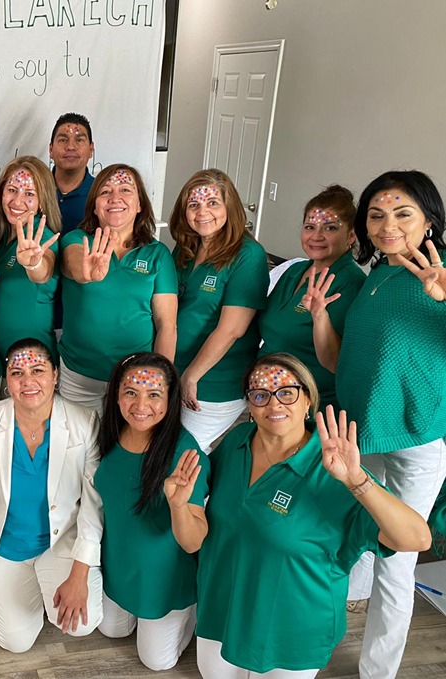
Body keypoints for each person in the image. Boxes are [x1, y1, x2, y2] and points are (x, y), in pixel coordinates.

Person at [195, 354, 431, 678]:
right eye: (260, 394)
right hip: (223, 611)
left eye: (286, 392)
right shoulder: (237, 443)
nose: (273, 404)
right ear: (249, 403)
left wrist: (356, 480)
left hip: (292, 632)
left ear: (307, 399)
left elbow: (416, 538)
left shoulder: (332, 468)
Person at [335, 170, 446, 679]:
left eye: (403, 213)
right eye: (376, 215)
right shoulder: (376, 275)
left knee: (396, 561)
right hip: (366, 436)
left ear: (429, 220)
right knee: (357, 536)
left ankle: (376, 673)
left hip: (416, 441)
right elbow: (352, 358)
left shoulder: (439, 274)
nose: (387, 225)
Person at [0, 338, 104, 653]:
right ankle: (31, 593)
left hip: (58, 543)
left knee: (83, 624)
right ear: (7, 380)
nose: (28, 381)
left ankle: (48, 585)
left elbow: (94, 504)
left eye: (38, 370)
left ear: (55, 375)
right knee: (15, 643)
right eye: (17, 373)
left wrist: (80, 573)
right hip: (2, 545)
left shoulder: (84, 422)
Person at [94, 352, 208, 670]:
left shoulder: (185, 453)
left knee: (156, 662)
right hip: (119, 566)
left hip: (165, 581)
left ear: (170, 400)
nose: (141, 406)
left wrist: (178, 504)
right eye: (131, 392)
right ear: (116, 395)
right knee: (112, 630)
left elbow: (193, 542)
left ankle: (191, 614)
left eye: (154, 394)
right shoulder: (108, 434)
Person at [60, 164, 177, 410]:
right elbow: (72, 263)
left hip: (136, 382)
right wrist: (86, 272)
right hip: (79, 378)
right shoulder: (76, 240)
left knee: (126, 447)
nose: (115, 198)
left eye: (125, 190)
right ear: (94, 205)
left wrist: (160, 381)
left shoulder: (158, 254)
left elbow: (166, 325)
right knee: (78, 448)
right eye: (105, 192)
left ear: (140, 204)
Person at [169, 169, 269, 451]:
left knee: (183, 454)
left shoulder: (248, 255)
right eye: (194, 205)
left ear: (230, 207)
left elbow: (232, 329)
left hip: (211, 381)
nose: (203, 212)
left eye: (213, 203)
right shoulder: (186, 249)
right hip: (176, 369)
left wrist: (191, 375)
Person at [259, 185, 366, 410]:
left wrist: (320, 316)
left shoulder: (351, 284)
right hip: (269, 391)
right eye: (310, 227)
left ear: (351, 235)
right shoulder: (294, 271)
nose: (316, 236)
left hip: (311, 404)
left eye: (330, 228)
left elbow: (335, 362)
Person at [0, 156, 61, 361]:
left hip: (31, 364)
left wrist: (34, 263)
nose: (17, 201)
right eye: (12, 190)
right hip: (0, 359)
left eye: (29, 194)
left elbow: (43, 271)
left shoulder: (42, 237)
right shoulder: (2, 240)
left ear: (42, 202)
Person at [49, 112, 95, 234]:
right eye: (63, 140)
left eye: (79, 140)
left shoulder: (102, 194)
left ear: (91, 150)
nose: (70, 147)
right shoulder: (32, 191)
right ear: (51, 149)